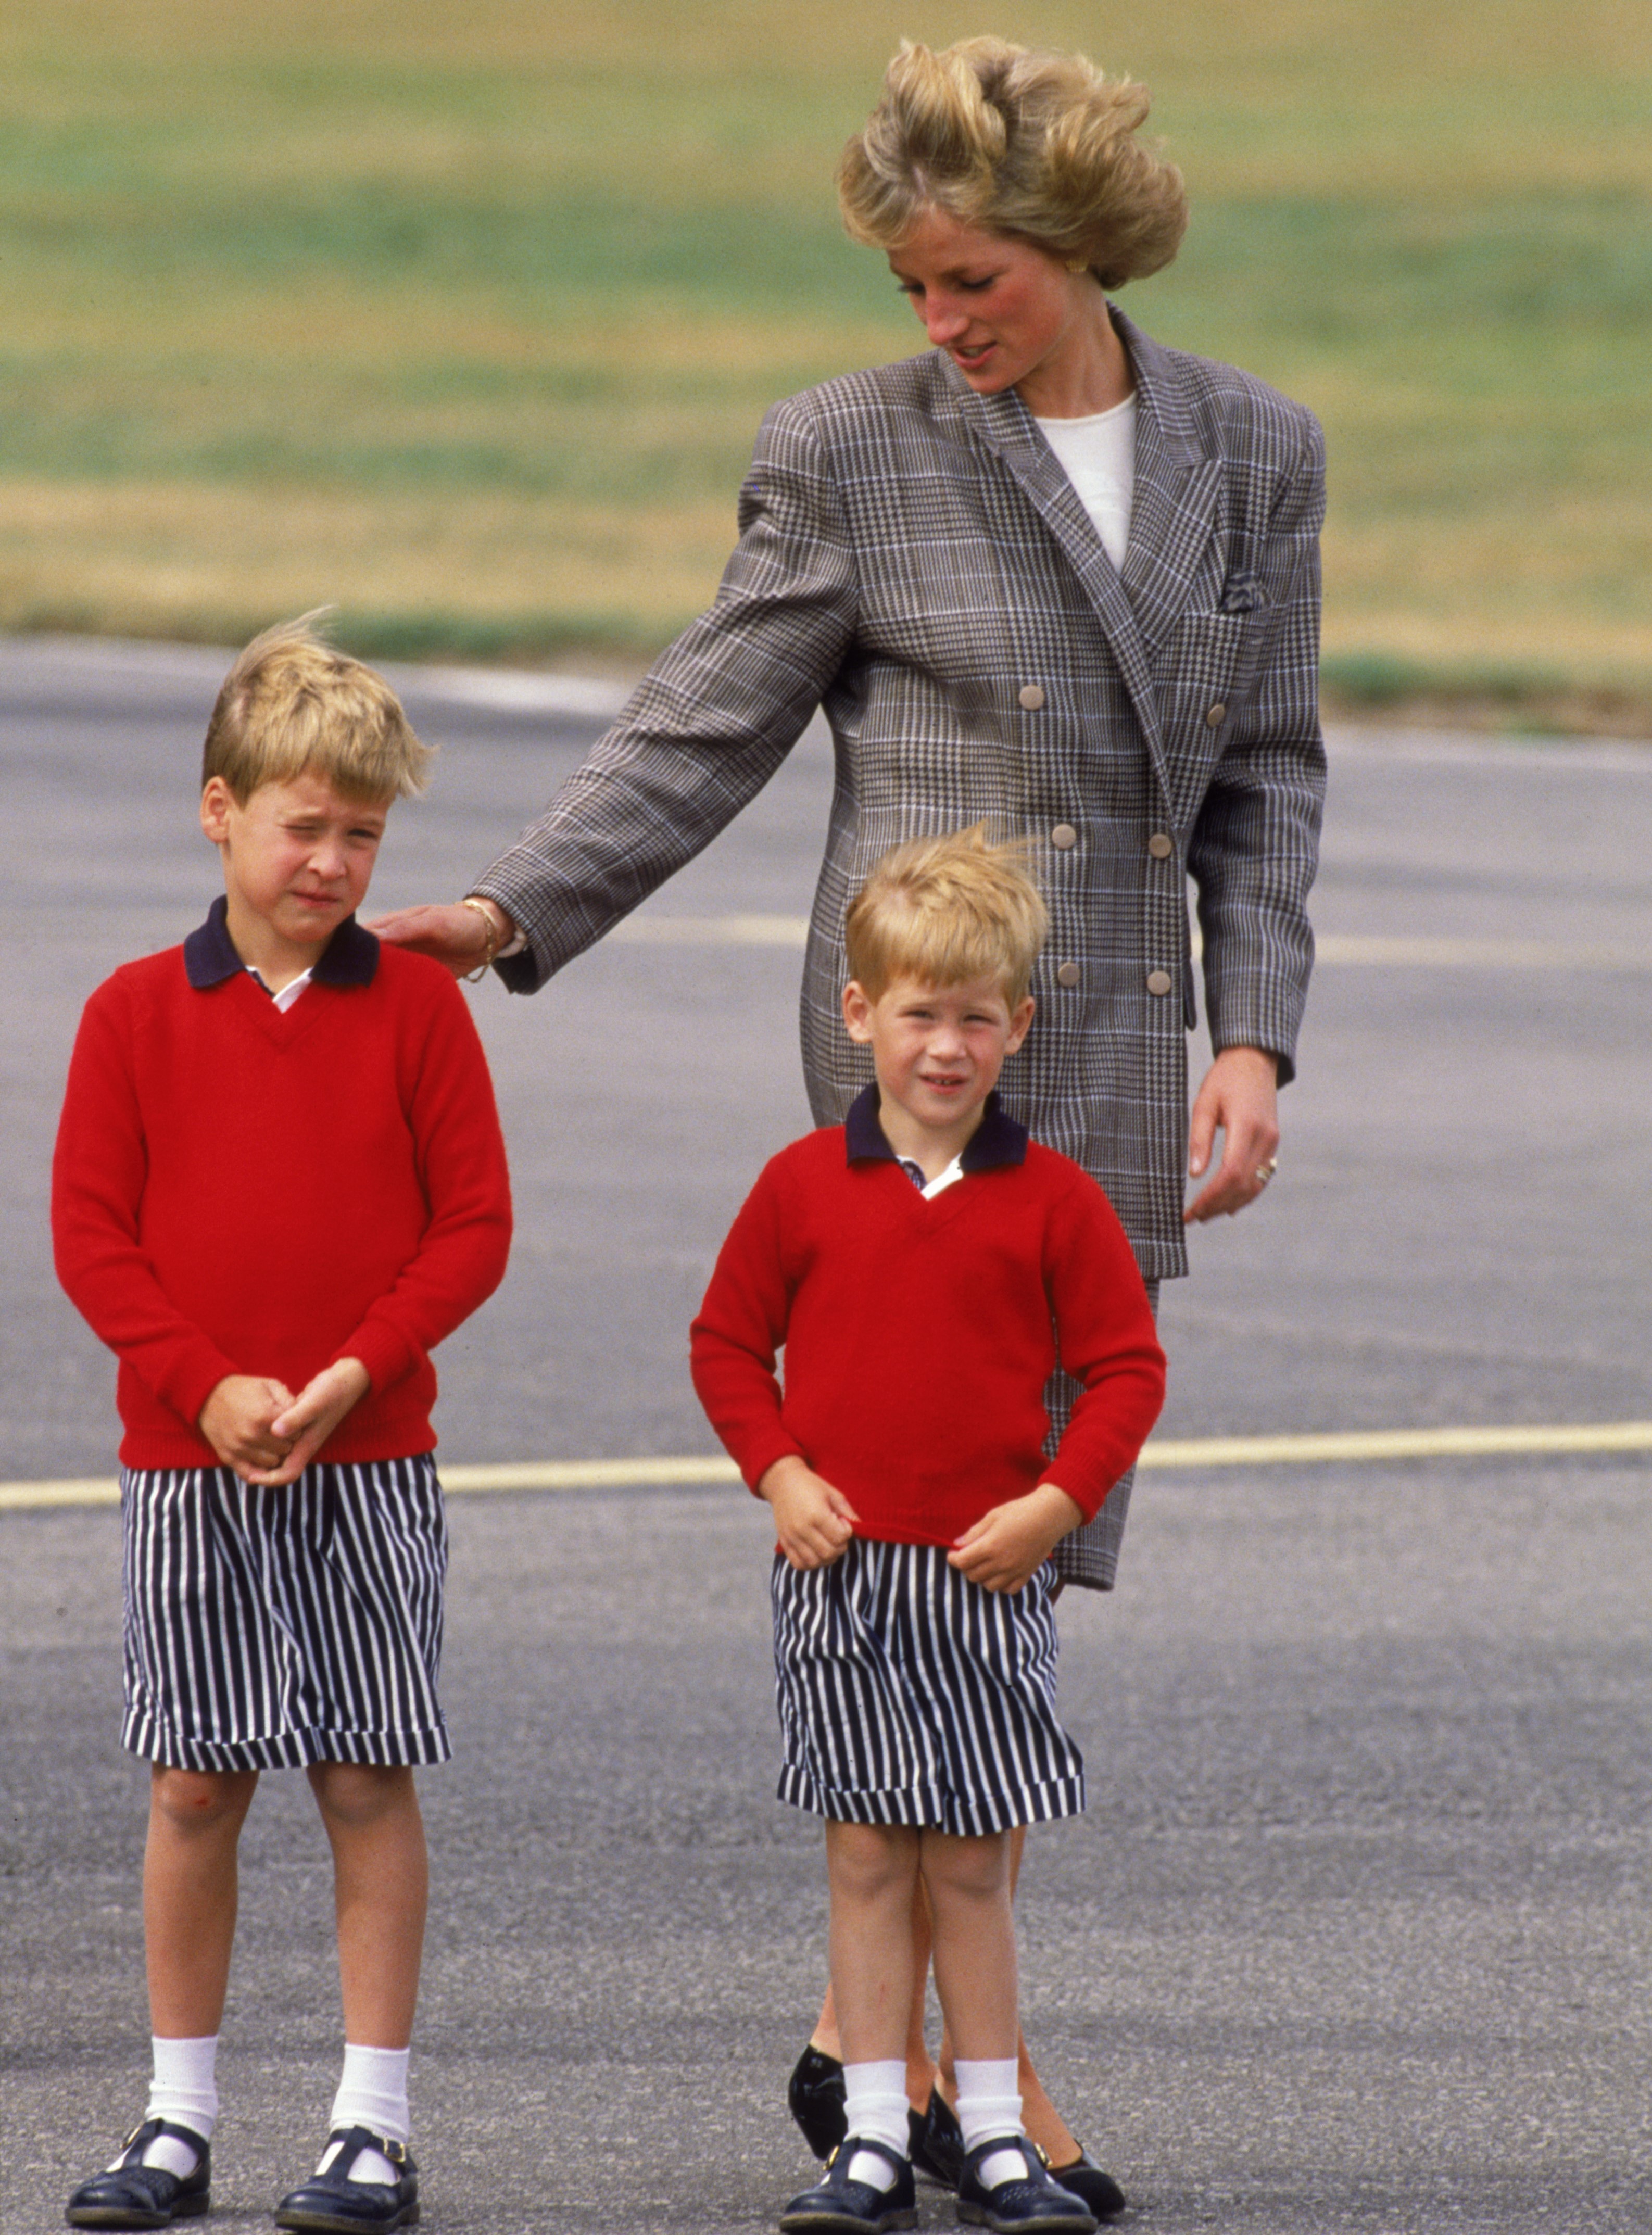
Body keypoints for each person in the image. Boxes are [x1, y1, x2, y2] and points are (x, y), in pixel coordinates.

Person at [373, 29, 1325, 2209]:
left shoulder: (1253, 452)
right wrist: (520, 904)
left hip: (1101, 1062)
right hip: (919, 1078)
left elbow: (1264, 772)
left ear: (1075, 248)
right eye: (907, 287)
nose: (935, 323)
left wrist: (1251, 1036)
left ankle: (860, 2049)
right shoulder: (850, 451)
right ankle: (966, 2092)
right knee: (910, 1569)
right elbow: (709, 709)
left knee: (1015, 1571)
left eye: (969, 281)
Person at [52, 618, 513, 2234]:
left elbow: (472, 1230)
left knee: (368, 1776)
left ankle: (370, 2127)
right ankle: (177, 2121)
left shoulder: (419, 1014)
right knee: (193, 1787)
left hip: (370, 1461)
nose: (330, 862)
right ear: (219, 811)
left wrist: (355, 1373)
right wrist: (208, 1385)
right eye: (302, 826)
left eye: (363, 836)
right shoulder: (130, 1014)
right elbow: (91, 1237)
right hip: (190, 1466)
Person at [690, 829, 1166, 2234]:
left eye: (975, 1018)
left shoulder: (1055, 1200)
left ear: (1018, 1026)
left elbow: (1128, 1370)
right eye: (918, 1014)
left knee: (969, 1856)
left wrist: (1057, 1504)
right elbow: (727, 1345)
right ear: (860, 1015)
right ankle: (875, 2138)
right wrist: (776, 1473)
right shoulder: (798, 1187)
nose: (946, 1048)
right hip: (839, 1575)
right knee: (863, 1852)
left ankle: (1000, 2134)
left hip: (984, 1575)